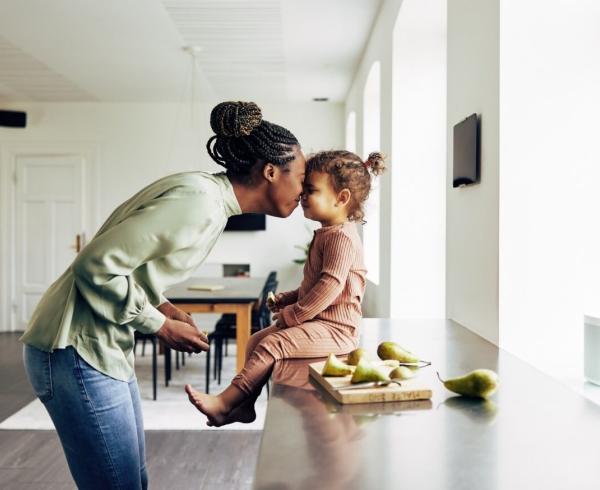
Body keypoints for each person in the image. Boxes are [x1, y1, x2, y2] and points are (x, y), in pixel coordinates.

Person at [20, 101, 306, 490]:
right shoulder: (199, 203)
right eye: (302, 177)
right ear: (271, 172)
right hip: (73, 348)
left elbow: (131, 267)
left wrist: (165, 307)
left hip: (96, 347)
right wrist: (159, 326)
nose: (304, 191)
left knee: (131, 480)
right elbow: (95, 266)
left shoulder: (208, 198)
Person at [186, 149, 386, 427]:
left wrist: (295, 314)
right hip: (319, 322)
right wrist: (288, 298)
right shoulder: (327, 233)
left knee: (272, 344)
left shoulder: (341, 238)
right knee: (256, 340)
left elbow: (330, 286)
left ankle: (225, 402)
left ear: (341, 199)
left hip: (338, 331)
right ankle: (244, 405)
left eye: (311, 190)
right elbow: (315, 285)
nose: (302, 195)